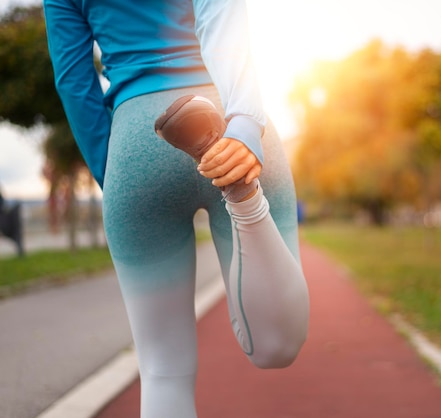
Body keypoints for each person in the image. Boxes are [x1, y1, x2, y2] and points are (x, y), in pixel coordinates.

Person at [43, 0, 310, 416]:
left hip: (137, 136)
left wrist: (113, 172)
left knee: (163, 369)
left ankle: (238, 190)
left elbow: (73, 82)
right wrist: (243, 124)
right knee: (276, 348)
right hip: (222, 115)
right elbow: (223, 22)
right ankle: (242, 193)